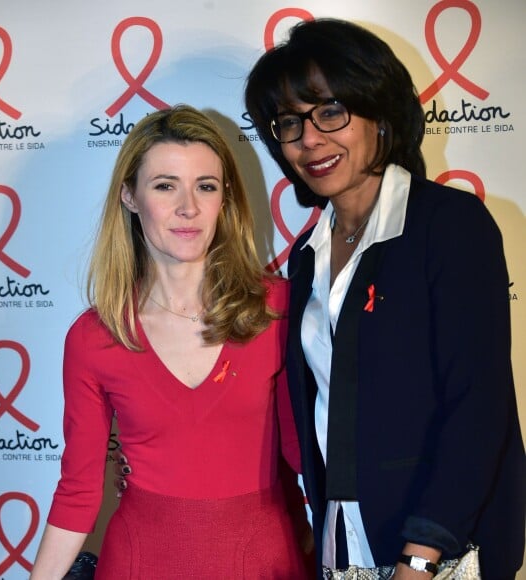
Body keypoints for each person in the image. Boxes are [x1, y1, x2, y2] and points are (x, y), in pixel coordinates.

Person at [243, 17, 525, 580]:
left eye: (329, 111)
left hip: (440, 547)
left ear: (379, 111)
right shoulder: (306, 256)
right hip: (343, 539)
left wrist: (421, 557)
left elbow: (478, 407)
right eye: (289, 123)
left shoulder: (449, 226)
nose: (309, 139)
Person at [30, 105, 312, 579]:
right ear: (130, 196)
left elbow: (310, 456)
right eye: (165, 186)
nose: (189, 207)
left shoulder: (277, 311)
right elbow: (78, 492)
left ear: (226, 199)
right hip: (139, 563)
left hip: (263, 561)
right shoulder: (95, 338)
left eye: (206, 186)